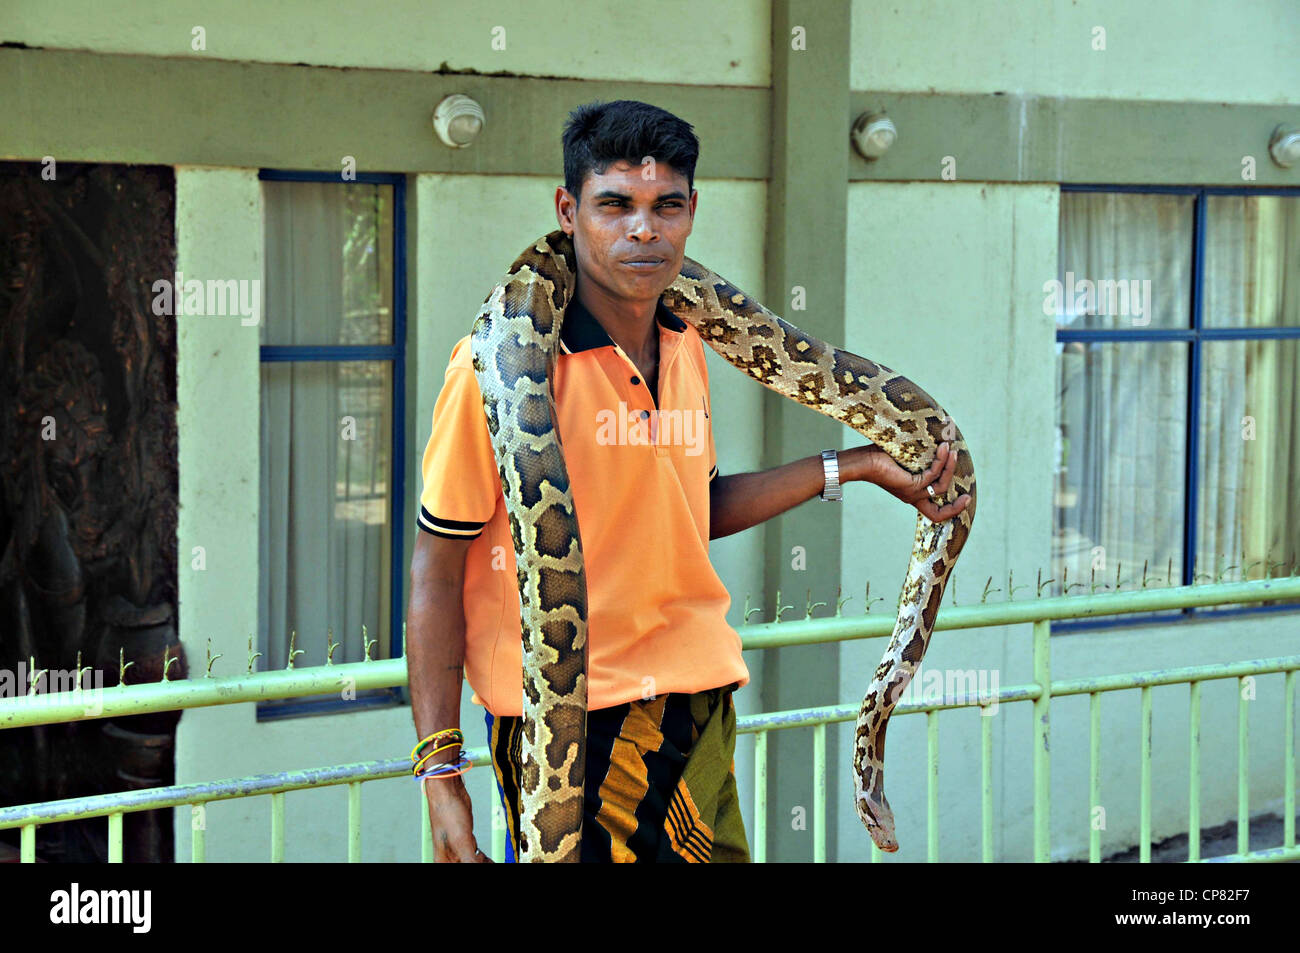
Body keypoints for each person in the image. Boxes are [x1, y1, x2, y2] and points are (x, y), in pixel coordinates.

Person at [406, 99, 971, 863]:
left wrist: (856, 466)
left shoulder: (686, 344)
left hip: (698, 706)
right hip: (580, 723)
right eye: (616, 206)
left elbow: (689, 509)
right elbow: (436, 568)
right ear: (569, 212)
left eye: (666, 206)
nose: (644, 229)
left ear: (691, 213)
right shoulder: (490, 370)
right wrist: (440, 767)